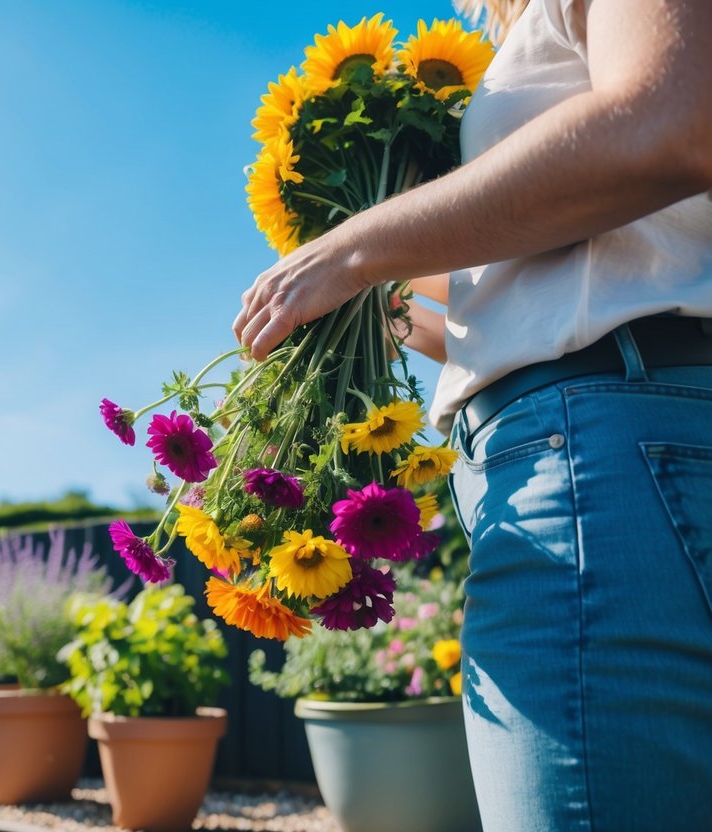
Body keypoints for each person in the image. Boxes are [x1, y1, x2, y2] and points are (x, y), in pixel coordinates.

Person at [231, 1, 712, 830]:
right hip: (624, 434)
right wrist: (360, 306)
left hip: (598, 457)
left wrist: (352, 246)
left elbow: (666, 124)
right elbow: (521, 304)